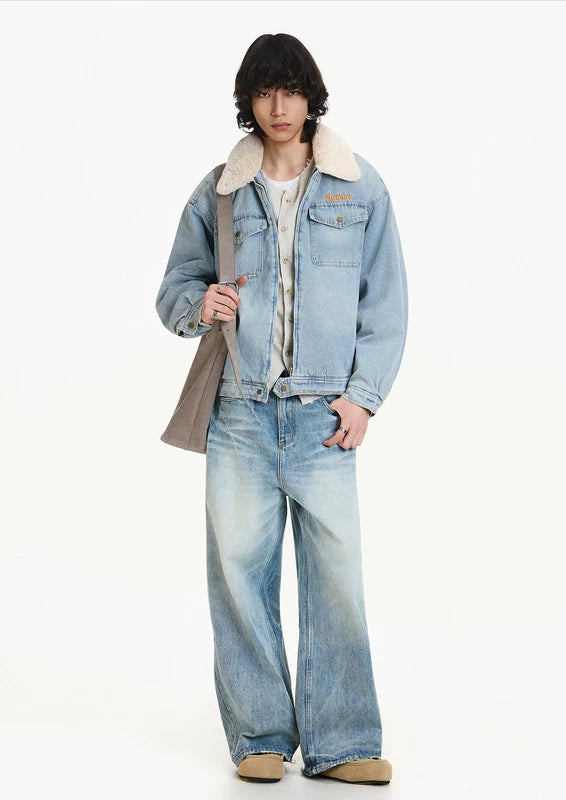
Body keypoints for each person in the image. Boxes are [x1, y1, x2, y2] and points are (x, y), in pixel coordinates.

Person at [155, 33, 408, 785]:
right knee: (238, 576)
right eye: (264, 92)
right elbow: (174, 288)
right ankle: (258, 735)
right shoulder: (220, 192)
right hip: (241, 413)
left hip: (324, 420)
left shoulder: (358, 188)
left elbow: (386, 304)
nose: (278, 106)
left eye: (291, 90)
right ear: (249, 101)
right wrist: (200, 304)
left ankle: (346, 743)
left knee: (336, 581)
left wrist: (362, 398)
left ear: (310, 97)